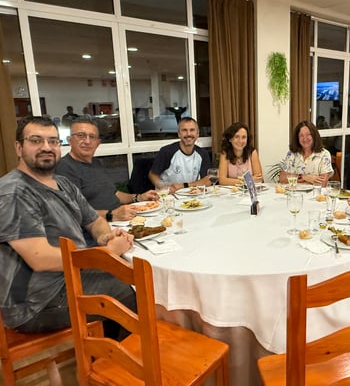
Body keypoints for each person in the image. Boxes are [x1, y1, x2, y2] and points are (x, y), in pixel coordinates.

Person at [0, 116, 136, 339]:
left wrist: (105, 236)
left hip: (69, 278)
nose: (46, 147)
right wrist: (106, 252)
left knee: (128, 275)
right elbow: (40, 258)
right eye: (36, 140)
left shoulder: (63, 184)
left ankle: (105, 349)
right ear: (19, 147)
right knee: (129, 291)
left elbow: (94, 220)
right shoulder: (13, 192)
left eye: (53, 141)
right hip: (35, 303)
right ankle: (120, 357)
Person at [56, 119, 158, 233]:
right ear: (69, 140)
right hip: (96, 229)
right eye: (81, 135)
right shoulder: (64, 167)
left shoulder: (97, 163)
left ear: (98, 143)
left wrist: (138, 197)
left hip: (121, 221)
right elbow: (72, 212)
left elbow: (114, 193)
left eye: (92, 137)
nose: (87, 141)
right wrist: (112, 215)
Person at [149, 117, 212, 193]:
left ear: (197, 133)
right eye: (184, 130)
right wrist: (164, 187)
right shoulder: (167, 151)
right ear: (179, 134)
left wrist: (183, 186)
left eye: (192, 130)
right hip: (170, 196)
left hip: (192, 195)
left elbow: (208, 180)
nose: (188, 134)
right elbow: (152, 175)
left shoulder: (203, 154)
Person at [279, 121, 333, 187]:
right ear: (297, 138)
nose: (305, 139)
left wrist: (295, 179)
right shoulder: (292, 154)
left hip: (315, 193)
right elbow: (282, 179)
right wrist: (304, 177)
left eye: (308, 135)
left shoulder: (324, 155)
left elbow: (322, 183)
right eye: (301, 135)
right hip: (293, 192)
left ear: (314, 136)